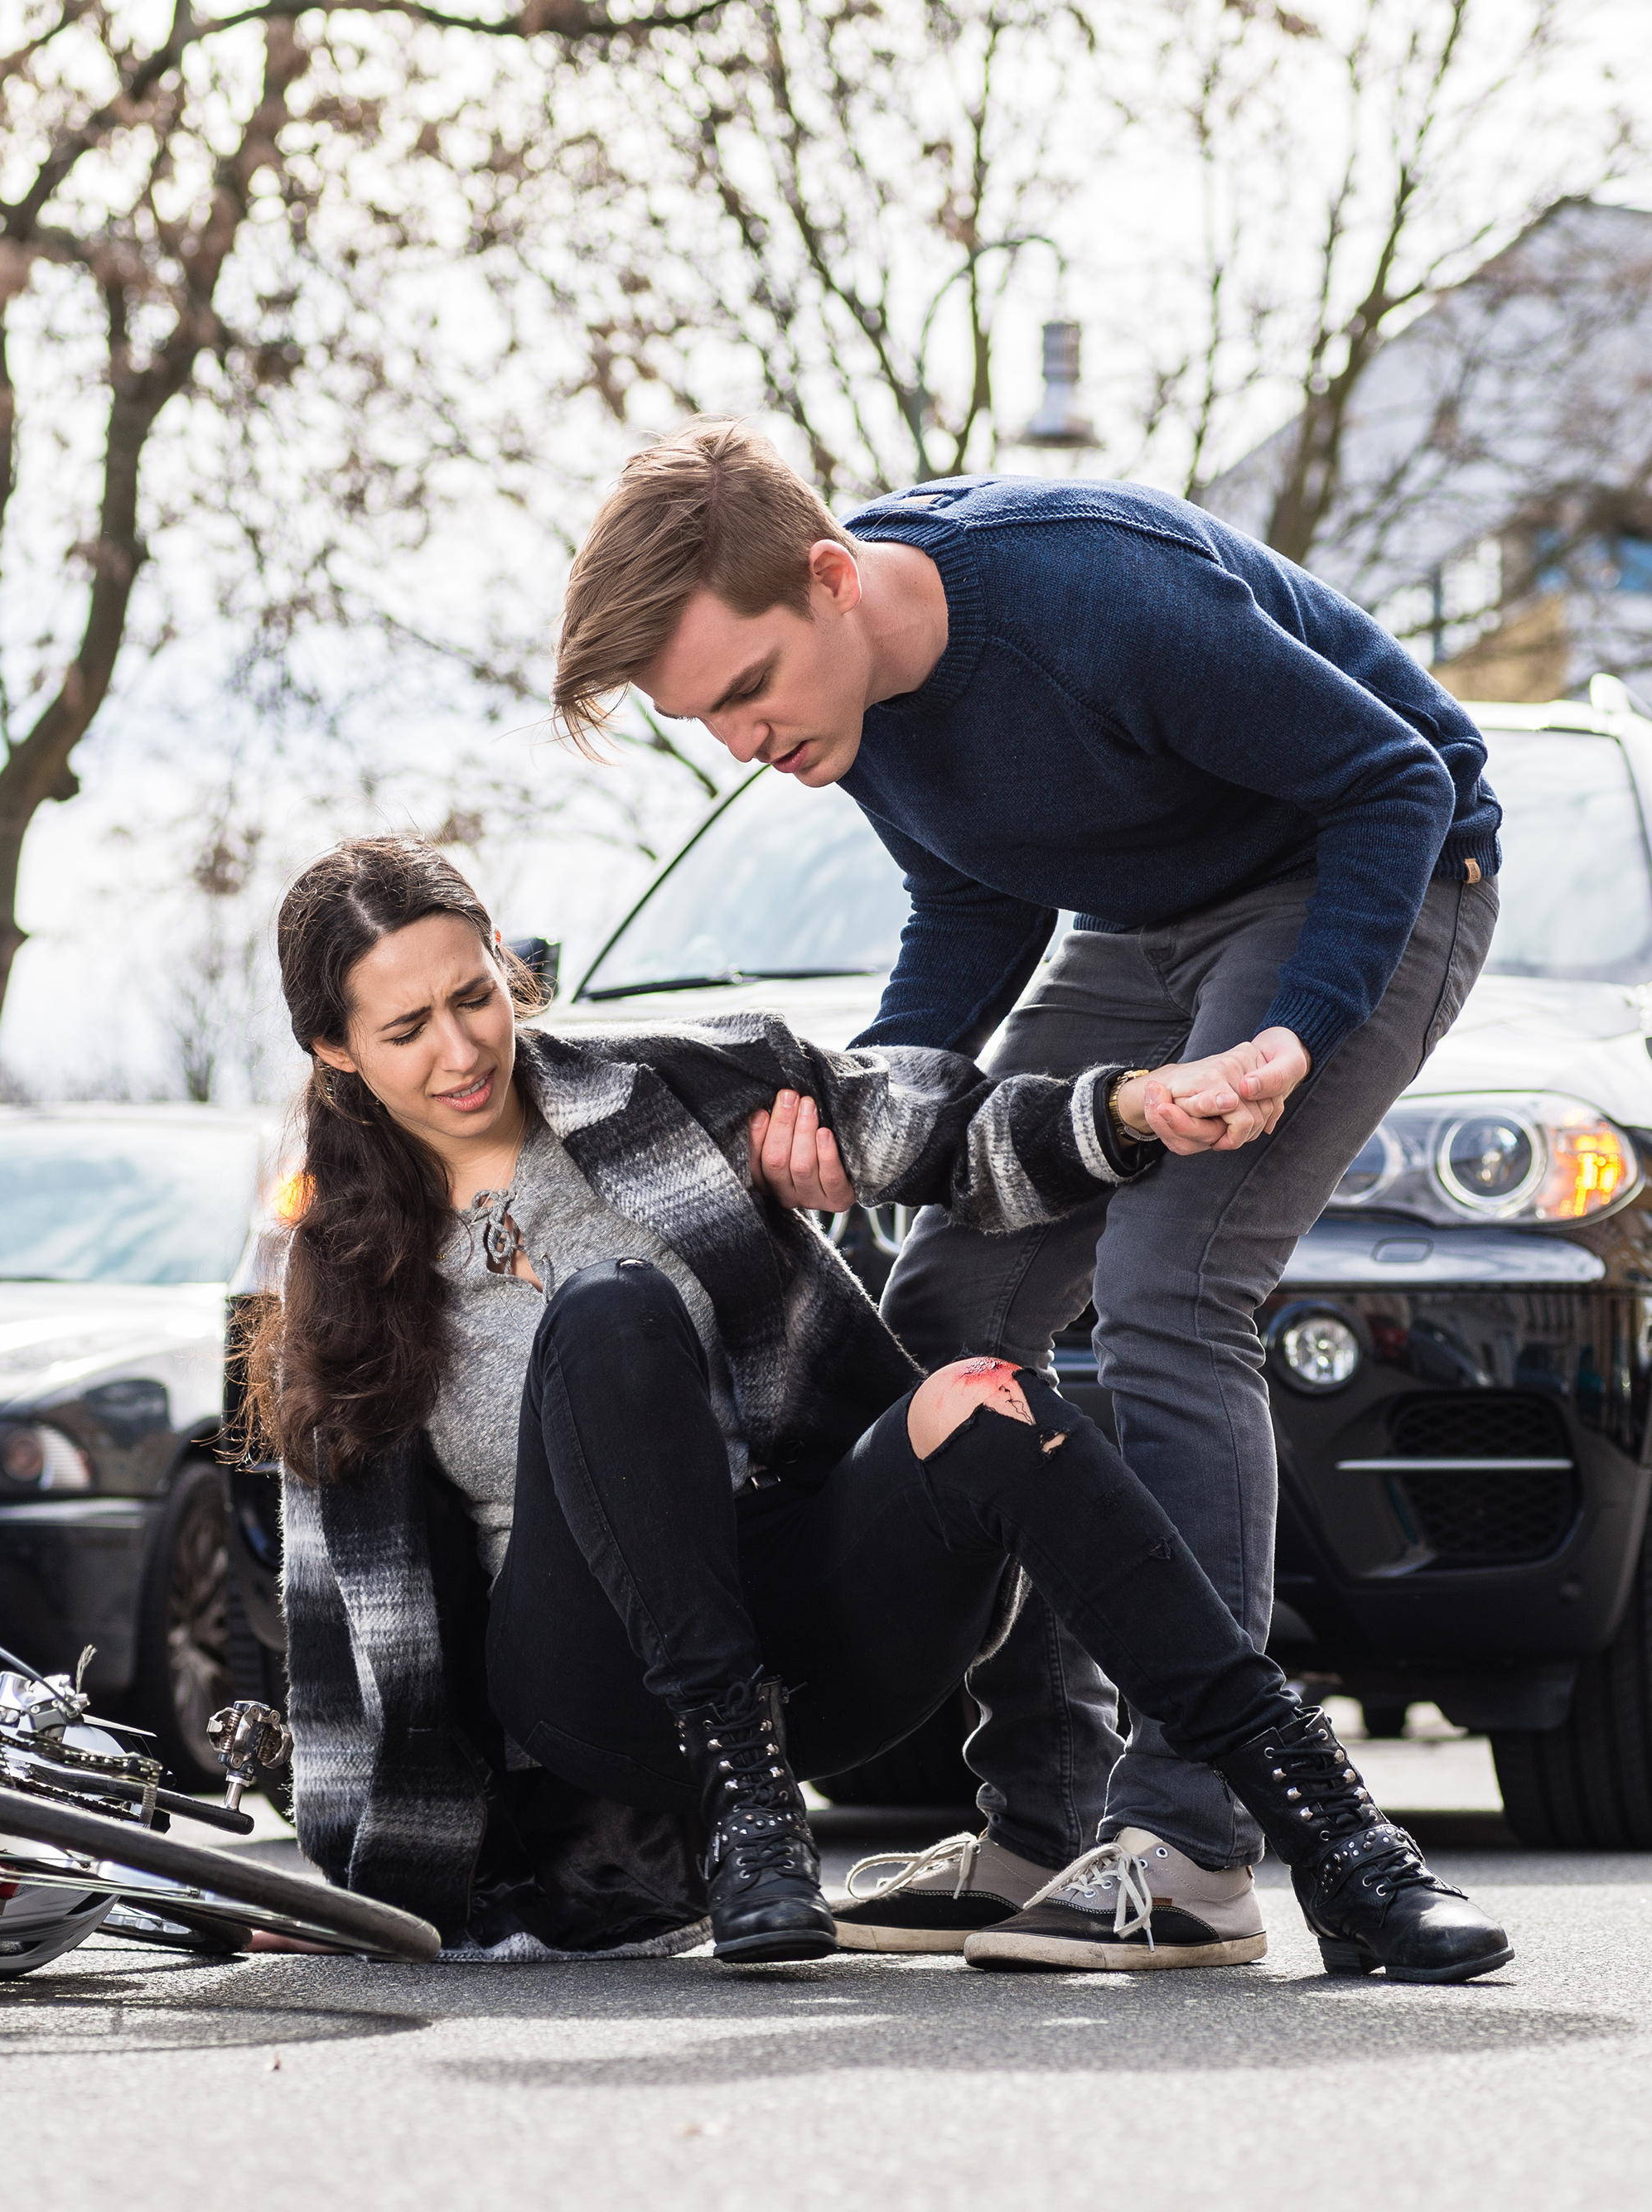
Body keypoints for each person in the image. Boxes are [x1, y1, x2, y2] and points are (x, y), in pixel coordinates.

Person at [549, 420, 1502, 1968]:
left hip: (1366, 878)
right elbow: (971, 893)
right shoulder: (853, 705)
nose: (741, 741)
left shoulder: (1089, 594)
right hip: (1139, 930)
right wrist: (869, 1106)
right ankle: (1044, 1821)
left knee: (1171, 1285)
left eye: (745, 689)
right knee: (946, 1312)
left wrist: (1294, 1029)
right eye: (701, 719)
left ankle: (1193, 1837)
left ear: (831, 578)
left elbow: (1390, 781)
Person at [251, 834, 1508, 1982]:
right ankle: (750, 1815)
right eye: (405, 1027)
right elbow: (340, 1611)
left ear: (508, 974)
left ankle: (1339, 1838)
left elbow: (937, 1131)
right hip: (592, 1692)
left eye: (473, 996)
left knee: (983, 1393)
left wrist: (1128, 1108)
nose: (460, 1050)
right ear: (336, 1050)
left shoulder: (676, 1085)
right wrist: (364, 1880)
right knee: (613, 1310)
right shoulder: (329, 1266)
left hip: (812, 1624)